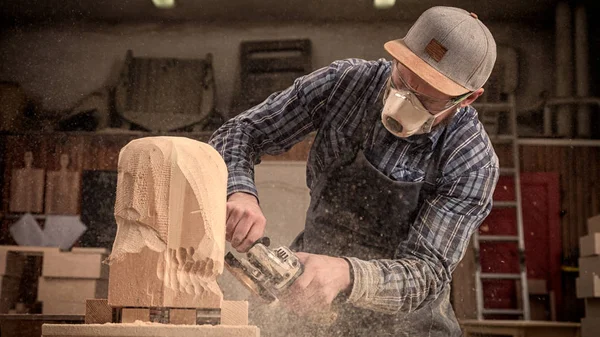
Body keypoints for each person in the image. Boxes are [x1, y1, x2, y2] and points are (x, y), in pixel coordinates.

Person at [209, 6, 499, 336]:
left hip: (407, 326)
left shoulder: (472, 160)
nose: (405, 98)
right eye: (402, 77)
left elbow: (426, 273)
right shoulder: (346, 84)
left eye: (426, 97)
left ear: (467, 98)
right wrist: (240, 191)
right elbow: (241, 131)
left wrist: (347, 274)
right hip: (310, 293)